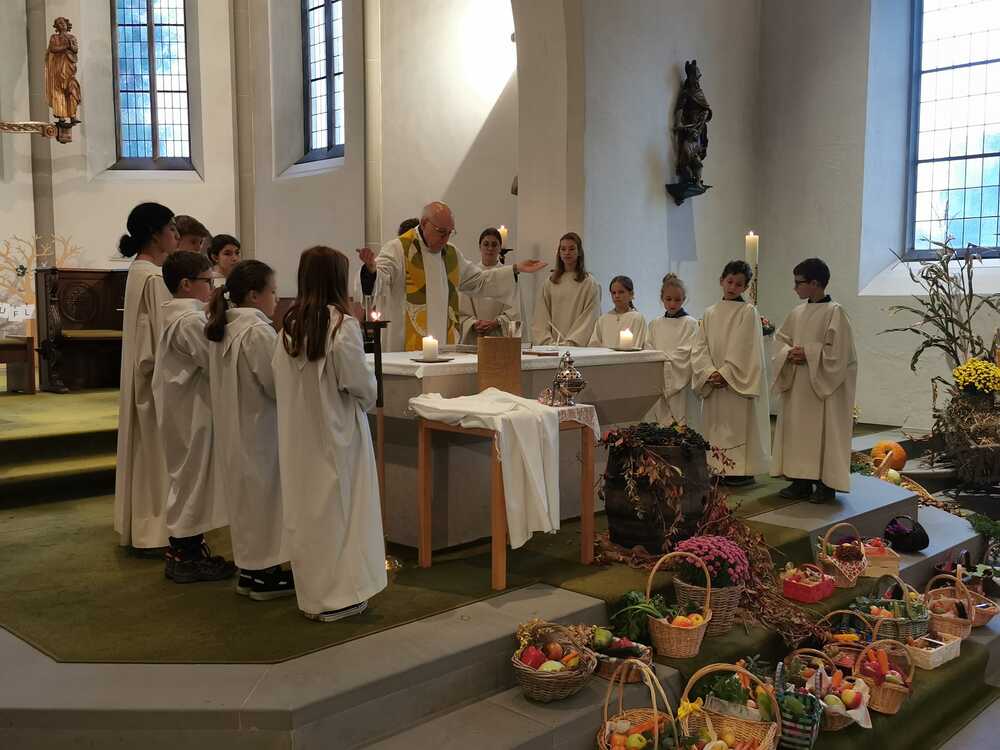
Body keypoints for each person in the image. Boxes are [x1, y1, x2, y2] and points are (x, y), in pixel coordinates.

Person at [273, 247, 387, 621]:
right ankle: (340, 597)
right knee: (343, 510)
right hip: (338, 433)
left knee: (309, 512)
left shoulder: (288, 327)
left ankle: (314, 596)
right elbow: (360, 385)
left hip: (299, 434)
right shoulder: (341, 325)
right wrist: (369, 394)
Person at [205, 260, 293, 598]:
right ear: (255, 295)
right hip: (259, 430)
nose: (277, 298)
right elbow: (275, 384)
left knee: (247, 502)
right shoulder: (257, 332)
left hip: (235, 428)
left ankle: (250, 570)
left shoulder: (223, 327)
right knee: (264, 501)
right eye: (273, 291)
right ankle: (264, 574)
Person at [355, 202, 546, 351]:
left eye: (449, 233)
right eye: (441, 232)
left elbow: (479, 281)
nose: (445, 238)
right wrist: (371, 270)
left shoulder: (451, 254)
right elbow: (381, 278)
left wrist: (515, 269)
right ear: (424, 223)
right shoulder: (398, 249)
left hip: (444, 349)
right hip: (405, 348)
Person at [153, 251, 234, 582]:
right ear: (186, 284)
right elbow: (215, 360)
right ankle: (184, 556)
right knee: (192, 479)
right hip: (192, 411)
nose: (212, 289)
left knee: (190, 478)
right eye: (208, 282)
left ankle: (188, 550)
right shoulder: (188, 321)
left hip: (186, 408)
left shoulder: (183, 317)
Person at [113, 203, 178, 555]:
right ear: (155, 234)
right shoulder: (154, 278)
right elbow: (166, 338)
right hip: (154, 382)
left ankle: (144, 526)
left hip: (143, 376)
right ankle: (155, 530)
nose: (176, 235)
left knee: (145, 450)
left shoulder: (138, 271)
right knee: (154, 451)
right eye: (171, 228)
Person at [771, 258, 858, 503]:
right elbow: (781, 341)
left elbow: (840, 353)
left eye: (799, 283)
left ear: (816, 283)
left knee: (823, 433)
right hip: (798, 385)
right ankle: (800, 481)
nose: (794, 288)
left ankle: (825, 485)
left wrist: (809, 353)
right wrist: (788, 353)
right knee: (797, 432)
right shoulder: (797, 313)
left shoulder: (835, 312)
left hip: (821, 388)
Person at [692, 260, 771, 485]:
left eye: (738, 284)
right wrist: (708, 372)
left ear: (745, 287)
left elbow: (745, 346)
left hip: (735, 382)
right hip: (714, 381)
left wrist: (725, 373)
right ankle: (717, 468)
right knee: (716, 426)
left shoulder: (748, 312)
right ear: (721, 281)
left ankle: (739, 471)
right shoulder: (709, 313)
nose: (732, 287)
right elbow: (699, 346)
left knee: (736, 425)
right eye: (729, 282)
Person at [643, 273, 701, 429]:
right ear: (662, 298)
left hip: (682, 381)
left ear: (684, 299)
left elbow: (688, 351)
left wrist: (666, 364)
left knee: (683, 423)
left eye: (677, 299)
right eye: (668, 299)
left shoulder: (691, 324)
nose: (672, 303)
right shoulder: (654, 324)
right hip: (659, 379)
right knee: (661, 423)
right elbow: (648, 347)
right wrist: (660, 364)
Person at [531, 232, 601, 346]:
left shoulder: (589, 283)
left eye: (571, 249)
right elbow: (541, 316)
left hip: (577, 346)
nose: (567, 253)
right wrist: (547, 342)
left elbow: (590, 317)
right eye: (563, 249)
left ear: (579, 252)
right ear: (559, 253)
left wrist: (571, 342)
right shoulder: (550, 282)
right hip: (552, 347)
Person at [458, 227, 521, 343]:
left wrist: (496, 322)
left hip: (499, 338)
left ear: (500, 248)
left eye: (494, 244)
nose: (490, 248)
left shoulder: (508, 275)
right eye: (486, 244)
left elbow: (515, 313)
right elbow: (462, 313)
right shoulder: (470, 275)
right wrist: (474, 323)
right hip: (476, 337)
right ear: (480, 247)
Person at [588, 275, 647, 348]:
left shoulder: (637, 318)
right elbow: (594, 344)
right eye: (614, 293)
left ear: (631, 294)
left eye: (621, 292)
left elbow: (637, 344)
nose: (616, 296)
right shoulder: (603, 319)